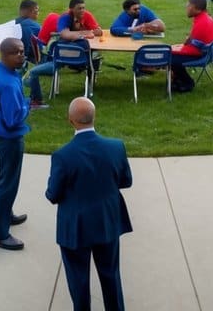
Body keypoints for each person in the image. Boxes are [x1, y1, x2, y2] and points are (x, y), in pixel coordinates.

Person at [47, 97, 134, 311]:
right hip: (107, 222)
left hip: (75, 228)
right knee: (111, 275)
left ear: (71, 121)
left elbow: (53, 194)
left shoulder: (63, 156)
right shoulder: (116, 148)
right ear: (94, 118)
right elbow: (126, 181)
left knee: (79, 282)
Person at [0, 37, 31, 250]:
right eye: (16, 52)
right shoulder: (8, 83)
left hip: (0, 135)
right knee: (8, 184)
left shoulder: (0, 73)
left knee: (4, 180)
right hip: (10, 139)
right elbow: (13, 119)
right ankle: (0, 234)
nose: (22, 55)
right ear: (4, 54)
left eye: (22, 51)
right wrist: (27, 105)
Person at [171, 0, 213, 93]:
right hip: (206, 52)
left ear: (196, 8)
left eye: (188, 6)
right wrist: (183, 44)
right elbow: (194, 39)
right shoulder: (205, 18)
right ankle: (177, 79)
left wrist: (176, 50)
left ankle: (187, 83)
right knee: (172, 51)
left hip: (201, 54)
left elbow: (195, 50)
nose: (186, 8)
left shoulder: (202, 22)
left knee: (170, 57)